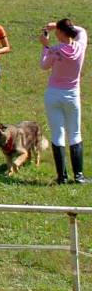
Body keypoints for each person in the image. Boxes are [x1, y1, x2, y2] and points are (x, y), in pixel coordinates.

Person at [39, 19, 87, 184]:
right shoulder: (80, 46)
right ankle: (79, 176)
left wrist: (45, 46)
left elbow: (44, 66)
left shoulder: (54, 50)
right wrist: (63, 26)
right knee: (75, 133)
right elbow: (82, 31)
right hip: (72, 95)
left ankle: (62, 177)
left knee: (58, 134)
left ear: (60, 32)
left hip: (53, 95)